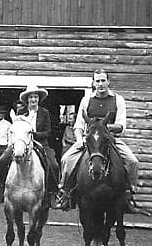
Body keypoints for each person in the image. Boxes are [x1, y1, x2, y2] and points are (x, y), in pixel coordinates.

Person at [54, 69, 140, 213]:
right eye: (97, 81)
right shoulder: (87, 99)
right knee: (66, 159)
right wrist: (80, 139)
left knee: (132, 161)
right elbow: (79, 125)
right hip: (89, 139)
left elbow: (121, 125)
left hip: (109, 139)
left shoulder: (117, 99)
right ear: (93, 83)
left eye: (103, 80)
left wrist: (104, 128)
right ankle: (65, 193)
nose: (100, 84)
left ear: (108, 82)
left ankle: (128, 193)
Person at [0, 84, 61, 204]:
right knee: (2, 160)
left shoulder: (44, 113)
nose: (33, 99)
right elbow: (15, 127)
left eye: (35, 97)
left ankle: (53, 192)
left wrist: (33, 134)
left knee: (54, 165)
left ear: (39, 99)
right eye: (31, 97)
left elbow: (47, 132)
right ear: (27, 99)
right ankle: (0, 188)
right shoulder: (21, 112)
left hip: (40, 143)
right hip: (21, 143)